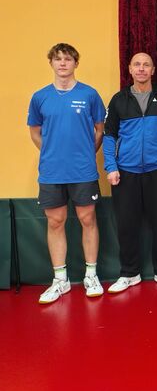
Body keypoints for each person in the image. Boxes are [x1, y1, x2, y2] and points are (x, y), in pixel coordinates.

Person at [28, 43, 106, 304]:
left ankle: (91, 275)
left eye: (68, 59)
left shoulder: (90, 94)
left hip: (83, 171)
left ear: (76, 63)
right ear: (51, 63)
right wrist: (52, 152)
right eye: (58, 59)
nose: (63, 63)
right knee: (55, 222)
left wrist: (86, 153)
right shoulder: (40, 97)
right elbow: (35, 132)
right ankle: (60, 280)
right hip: (51, 172)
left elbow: (99, 130)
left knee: (87, 219)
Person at [103, 53, 157, 293]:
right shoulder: (118, 100)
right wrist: (111, 167)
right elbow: (109, 137)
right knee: (126, 224)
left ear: (153, 70)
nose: (141, 68)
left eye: (146, 65)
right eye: (137, 65)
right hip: (125, 172)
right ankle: (129, 273)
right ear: (130, 69)